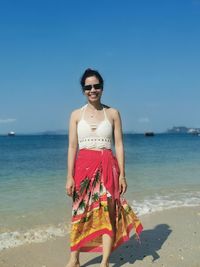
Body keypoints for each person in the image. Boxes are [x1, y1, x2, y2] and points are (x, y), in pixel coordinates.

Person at [66, 68, 143, 267]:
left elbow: (119, 145)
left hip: (108, 166)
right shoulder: (75, 115)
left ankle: (105, 262)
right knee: (80, 213)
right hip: (83, 168)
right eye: (88, 87)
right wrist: (69, 177)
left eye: (96, 86)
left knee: (108, 213)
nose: (93, 90)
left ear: (102, 88)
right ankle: (74, 259)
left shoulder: (113, 113)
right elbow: (73, 146)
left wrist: (123, 175)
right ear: (83, 90)